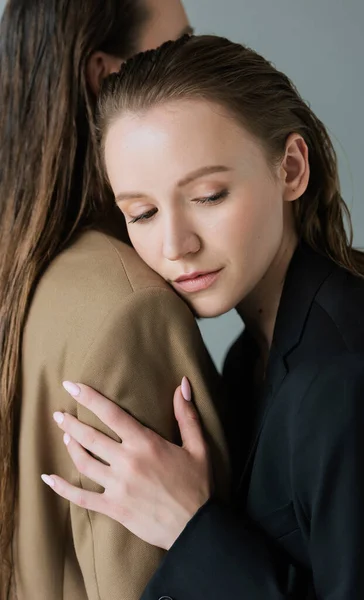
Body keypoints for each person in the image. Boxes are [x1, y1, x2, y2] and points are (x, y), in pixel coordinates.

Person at [45, 35, 364, 599]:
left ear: (290, 169)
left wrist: (191, 528)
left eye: (208, 196)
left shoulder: (352, 379)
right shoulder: (246, 359)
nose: (175, 244)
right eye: (142, 212)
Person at [0, 6, 230, 600]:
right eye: (175, 49)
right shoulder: (130, 310)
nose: (200, 65)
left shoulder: (28, 273)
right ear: (106, 79)